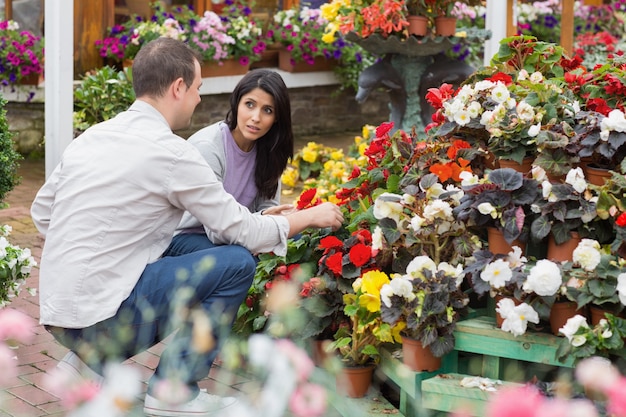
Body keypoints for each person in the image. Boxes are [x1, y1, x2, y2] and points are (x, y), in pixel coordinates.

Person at [30, 37, 343, 417]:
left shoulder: (92, 136)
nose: (198, 99)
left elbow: (42, 213)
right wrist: (309, 216)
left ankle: (89, 361)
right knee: (236, 263)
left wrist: (102, 256)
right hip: (101, 320)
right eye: (197, 89)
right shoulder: (175, 153)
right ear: (178, 87)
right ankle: (172, 390)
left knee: (185, 262)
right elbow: (243, 232)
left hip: (57, 315)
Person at [171, 69, 296, 254]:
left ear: (276, 118)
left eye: (267, 110)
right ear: (237, 103)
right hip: (189, 236)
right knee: (241, 257)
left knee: (299, 237)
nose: (256, 117)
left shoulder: (269, 149)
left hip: (240, 231)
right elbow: (217, 230)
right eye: (250, 104)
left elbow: (269, 208)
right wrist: (264, 222)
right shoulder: (208, 147)